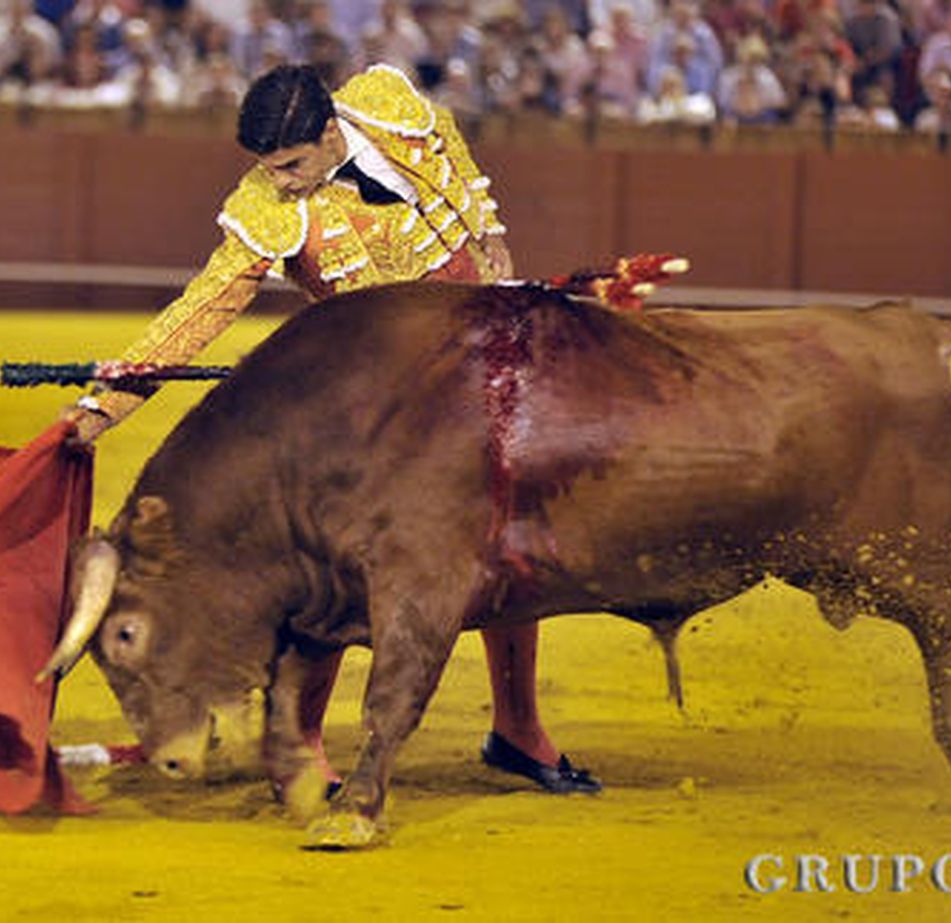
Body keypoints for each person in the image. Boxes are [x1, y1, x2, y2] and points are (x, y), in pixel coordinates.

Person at [64, 63, 600, 796]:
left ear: (328, 131)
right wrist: (104, 406)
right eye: (267, 168)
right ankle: (299, 742)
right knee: (337, 568)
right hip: (374, 406)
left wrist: (488, 229)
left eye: (290, 164)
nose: (279, 182)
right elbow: (202, 308)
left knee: (510, 550)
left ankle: (517, 730)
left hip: (477, 378)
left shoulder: (387, 101)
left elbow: (450, 144)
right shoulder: (265, 207)